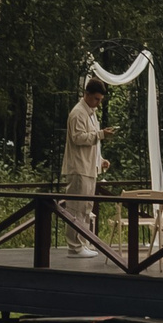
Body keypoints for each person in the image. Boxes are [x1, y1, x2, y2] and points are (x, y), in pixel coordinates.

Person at [59, 76, 111, 229]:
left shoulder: (91, 114)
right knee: (76, 210)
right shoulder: (78, 113)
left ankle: (84, 240)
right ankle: (75, 242)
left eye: (100, 100)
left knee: (87, 209)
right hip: (79, 169)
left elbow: (92, 143)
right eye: (96, 99)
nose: (98, 103)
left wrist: (100, 160)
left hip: (89, 169)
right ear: (87, 94)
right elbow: (78, 138)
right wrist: (101, 134)